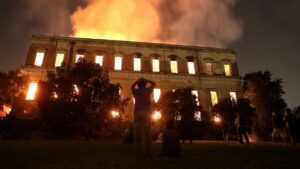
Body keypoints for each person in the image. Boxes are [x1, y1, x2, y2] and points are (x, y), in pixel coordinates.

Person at [131, 78, 156, 155]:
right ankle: (148, 151)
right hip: (146, 112)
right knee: (147, 132)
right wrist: (147, 80)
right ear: (145, 85)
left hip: (137, 112)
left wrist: (137, 81)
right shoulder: (147, 90)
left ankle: (136, 151)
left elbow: (132, 86)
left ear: (138, 85)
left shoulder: (136, 91)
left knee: (136, 133)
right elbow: (154, 83)